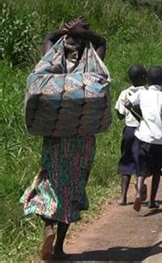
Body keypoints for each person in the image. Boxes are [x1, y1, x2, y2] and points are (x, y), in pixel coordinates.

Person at [21, 17, 106, 260]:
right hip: (82, 140)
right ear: (84, 40)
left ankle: (48, 226)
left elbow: (49, 37)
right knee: (72, 190)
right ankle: (58, 247)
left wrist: (65, 30)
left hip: (55, 138)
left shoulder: (53, 61)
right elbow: (101, 41)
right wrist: (83, 33)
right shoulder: (92, 62)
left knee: (49, 185)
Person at [126, 66, 162, 211]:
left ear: (147, 80)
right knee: (156, 170)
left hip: (143, 136)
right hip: (159, 140)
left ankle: (139, 191)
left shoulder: (141, 93)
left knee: (141, 169)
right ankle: (152, 201)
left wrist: (141, 116)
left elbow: (128, 104)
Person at [115, 64, 147, 206]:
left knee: (126, 160)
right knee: (141, 160)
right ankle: (140, 189)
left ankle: (122, 197)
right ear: (144, 78)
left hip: (129, 131)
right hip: (144, 131)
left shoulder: (124, 93)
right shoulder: (146, 93)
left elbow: (119, 115)